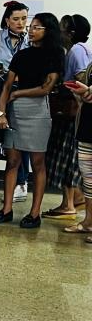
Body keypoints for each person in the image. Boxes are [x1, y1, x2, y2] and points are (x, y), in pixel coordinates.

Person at [0, 13, 65, 229]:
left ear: (48, 31)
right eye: (31, 26)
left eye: (37, 27)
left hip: (38, 111)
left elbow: (46, 88)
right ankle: (6, 210)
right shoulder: (22, 55)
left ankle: (35, 213)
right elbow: (6, 86)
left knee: (37, 163)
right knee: (12, 161)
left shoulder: (55, 55)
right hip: (14, 110)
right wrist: (1, 113)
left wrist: (18, 95)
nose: (31, 30)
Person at [44, 14, 91, 219]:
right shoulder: (82, 49)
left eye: (63, 29)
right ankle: (75, 199)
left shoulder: (77, 51)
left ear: (70, 33)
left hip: (72, 114)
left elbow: (81, 79)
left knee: (66, 157)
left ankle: (68, 203)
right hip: (76, 114)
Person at [0, 1, 32, 202]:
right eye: (16, 19)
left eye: (24, 18)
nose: (21, 23)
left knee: (19, 137)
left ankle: (21, 183)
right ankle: (17, 182)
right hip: (0, 90)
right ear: (7, 20)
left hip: (22, 90)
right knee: (6, 137)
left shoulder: (31, 41)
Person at [64, 78, 92, 241]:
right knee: (88, 179)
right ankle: (89, 221)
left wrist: (88, 90)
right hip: (87, 127)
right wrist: (82, 94)